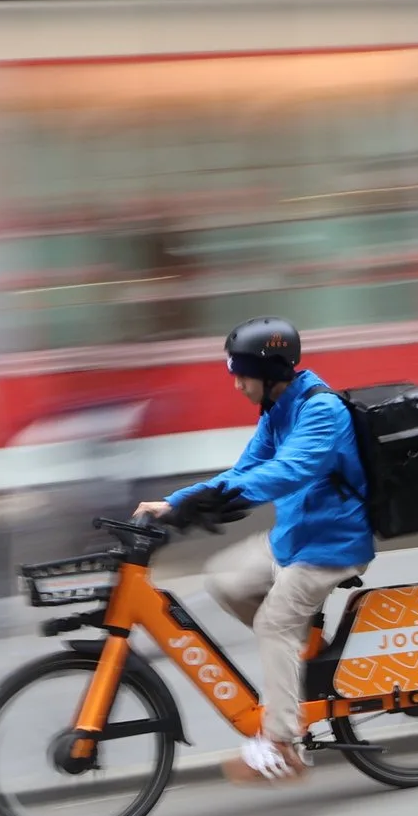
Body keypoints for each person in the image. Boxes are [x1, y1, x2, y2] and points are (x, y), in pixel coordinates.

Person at [135, 318, 372, 786]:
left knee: (274, 623)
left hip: (330, 545)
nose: (237, 383)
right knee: (226, 578)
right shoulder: (276, 411)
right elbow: (244, 469)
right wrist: (180, 502)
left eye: (242, 374)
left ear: (273, 371)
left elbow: (288, 471)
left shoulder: (321, 411)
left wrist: (219, 499)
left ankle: (284, 745)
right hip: (293, 538)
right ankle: (307, 663)